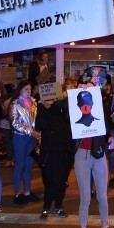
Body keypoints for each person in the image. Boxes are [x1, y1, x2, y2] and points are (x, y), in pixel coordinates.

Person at [73, 83, 113, 228]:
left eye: (90, 91)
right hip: (81, 154)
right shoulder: (74, 109)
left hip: (98, 154)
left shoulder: (100, 107)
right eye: (84, 90)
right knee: (86, 197)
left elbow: (109, 124)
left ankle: (105, 226)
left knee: (102, 196)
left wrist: (109, 136)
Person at [35, 91, 73, 220]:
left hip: (65, 151)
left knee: (61, 181)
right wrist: (41, 106)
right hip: (50, 152)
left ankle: (58, 207)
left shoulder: (62, 109)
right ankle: (46, 208)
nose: (51, 99)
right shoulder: (43, 111)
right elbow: (39, 125)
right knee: (51, 181)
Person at [10, 80, 41, 205]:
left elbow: (37, 119)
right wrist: (30, 131)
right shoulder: (15, 104)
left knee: (29, 165)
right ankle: (18, 194)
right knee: (19, 165)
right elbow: (14, 123)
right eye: (26, 89)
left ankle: (27, 192)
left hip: (31, 138)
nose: (28, 91)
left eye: (29, 89)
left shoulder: (34, 103)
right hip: (20, 137)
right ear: (20, 90)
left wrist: (38, 133)